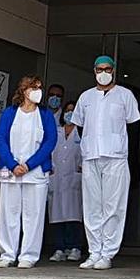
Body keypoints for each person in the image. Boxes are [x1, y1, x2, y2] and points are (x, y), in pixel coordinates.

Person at [75, 56, 140, 270]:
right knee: (92, 206)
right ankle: (94, 251)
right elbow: (80, 126)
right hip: (91, 156)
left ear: (114, 71)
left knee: (113, 207)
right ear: (94, 71)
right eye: (100, 69)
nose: (103, 73)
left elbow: (134, 127)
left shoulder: (125, 95)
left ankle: (108, 253)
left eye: (108, 69)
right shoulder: (85, 97)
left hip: (116, 157)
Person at [0, 75, 57, 268]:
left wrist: (29, 165)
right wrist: (13, 165)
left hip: (35, 172)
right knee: (8, 213)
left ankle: (28, 255)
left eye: (39, 87)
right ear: (24, 91)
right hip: (11, 171)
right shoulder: (10, 113)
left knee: (34, 215)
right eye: (34, 87)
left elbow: (50, 142)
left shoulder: (45, 115)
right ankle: (7, 254)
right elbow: (0, 139)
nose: (38, 91)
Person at [48, 100, 86, 263]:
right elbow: (48, 150)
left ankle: (75, 247)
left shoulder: (82, 133)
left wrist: (81, 167)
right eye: (67, 110)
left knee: (73, 216)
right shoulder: (56, 131)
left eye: (73, 111)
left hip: (73, 179)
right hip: (56, 177)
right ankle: (59, 248)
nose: (69, 114)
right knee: (57, 216)